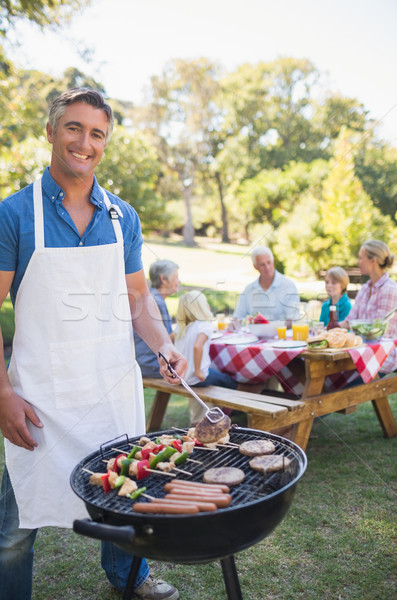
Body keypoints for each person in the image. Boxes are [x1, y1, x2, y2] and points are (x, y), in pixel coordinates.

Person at [0, 88, 186, 600]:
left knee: (128, 497)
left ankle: (131, 577)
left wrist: (164, 344)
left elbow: (137, 299)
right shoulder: (14, 214)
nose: (85, 142)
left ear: (106, 143)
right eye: (74, 128)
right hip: (41, 398)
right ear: (51, 132)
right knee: (15, 530)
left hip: (109, 387)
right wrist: (3, 394)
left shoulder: (121, 215)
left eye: (97, 133)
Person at [175, 291, 237, 424]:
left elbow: (169, 340)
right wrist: (198, 371)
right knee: (231, 382)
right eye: (205, 303)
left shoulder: (181, 327)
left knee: (219, 376)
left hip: (182, 377)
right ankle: (227, 414)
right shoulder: (205, 326)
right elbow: (197, 347)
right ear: (202, 308)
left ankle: (215, 411)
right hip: (196, 378)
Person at [342, 239, 397, 374]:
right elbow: (350, 321)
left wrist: (353, 332)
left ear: (373, 261)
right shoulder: (364, 288)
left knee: (334, 373)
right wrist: (329, 329)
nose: (358, 262)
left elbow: (381, 332)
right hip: (363, 349)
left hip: (385, 354)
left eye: (361, 258)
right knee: (327, 371)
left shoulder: (389, 289)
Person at [134, 259, 179, 377]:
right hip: (150, 364)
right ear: (163, 279)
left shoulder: (152, 296)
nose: (179, 281)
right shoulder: (157, 302)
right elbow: (169, 339)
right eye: (176, 277)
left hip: (140, 361)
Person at [233, 246, 300, 322]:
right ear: (255, 267)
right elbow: (237, 317)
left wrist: (271, 327)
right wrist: (234, 324)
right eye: (262, 265)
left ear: (273, 261)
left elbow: (294, 320)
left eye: (269, 262)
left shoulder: (288, 286)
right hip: (255, 333)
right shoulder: (249, 289)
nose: (267, 268)